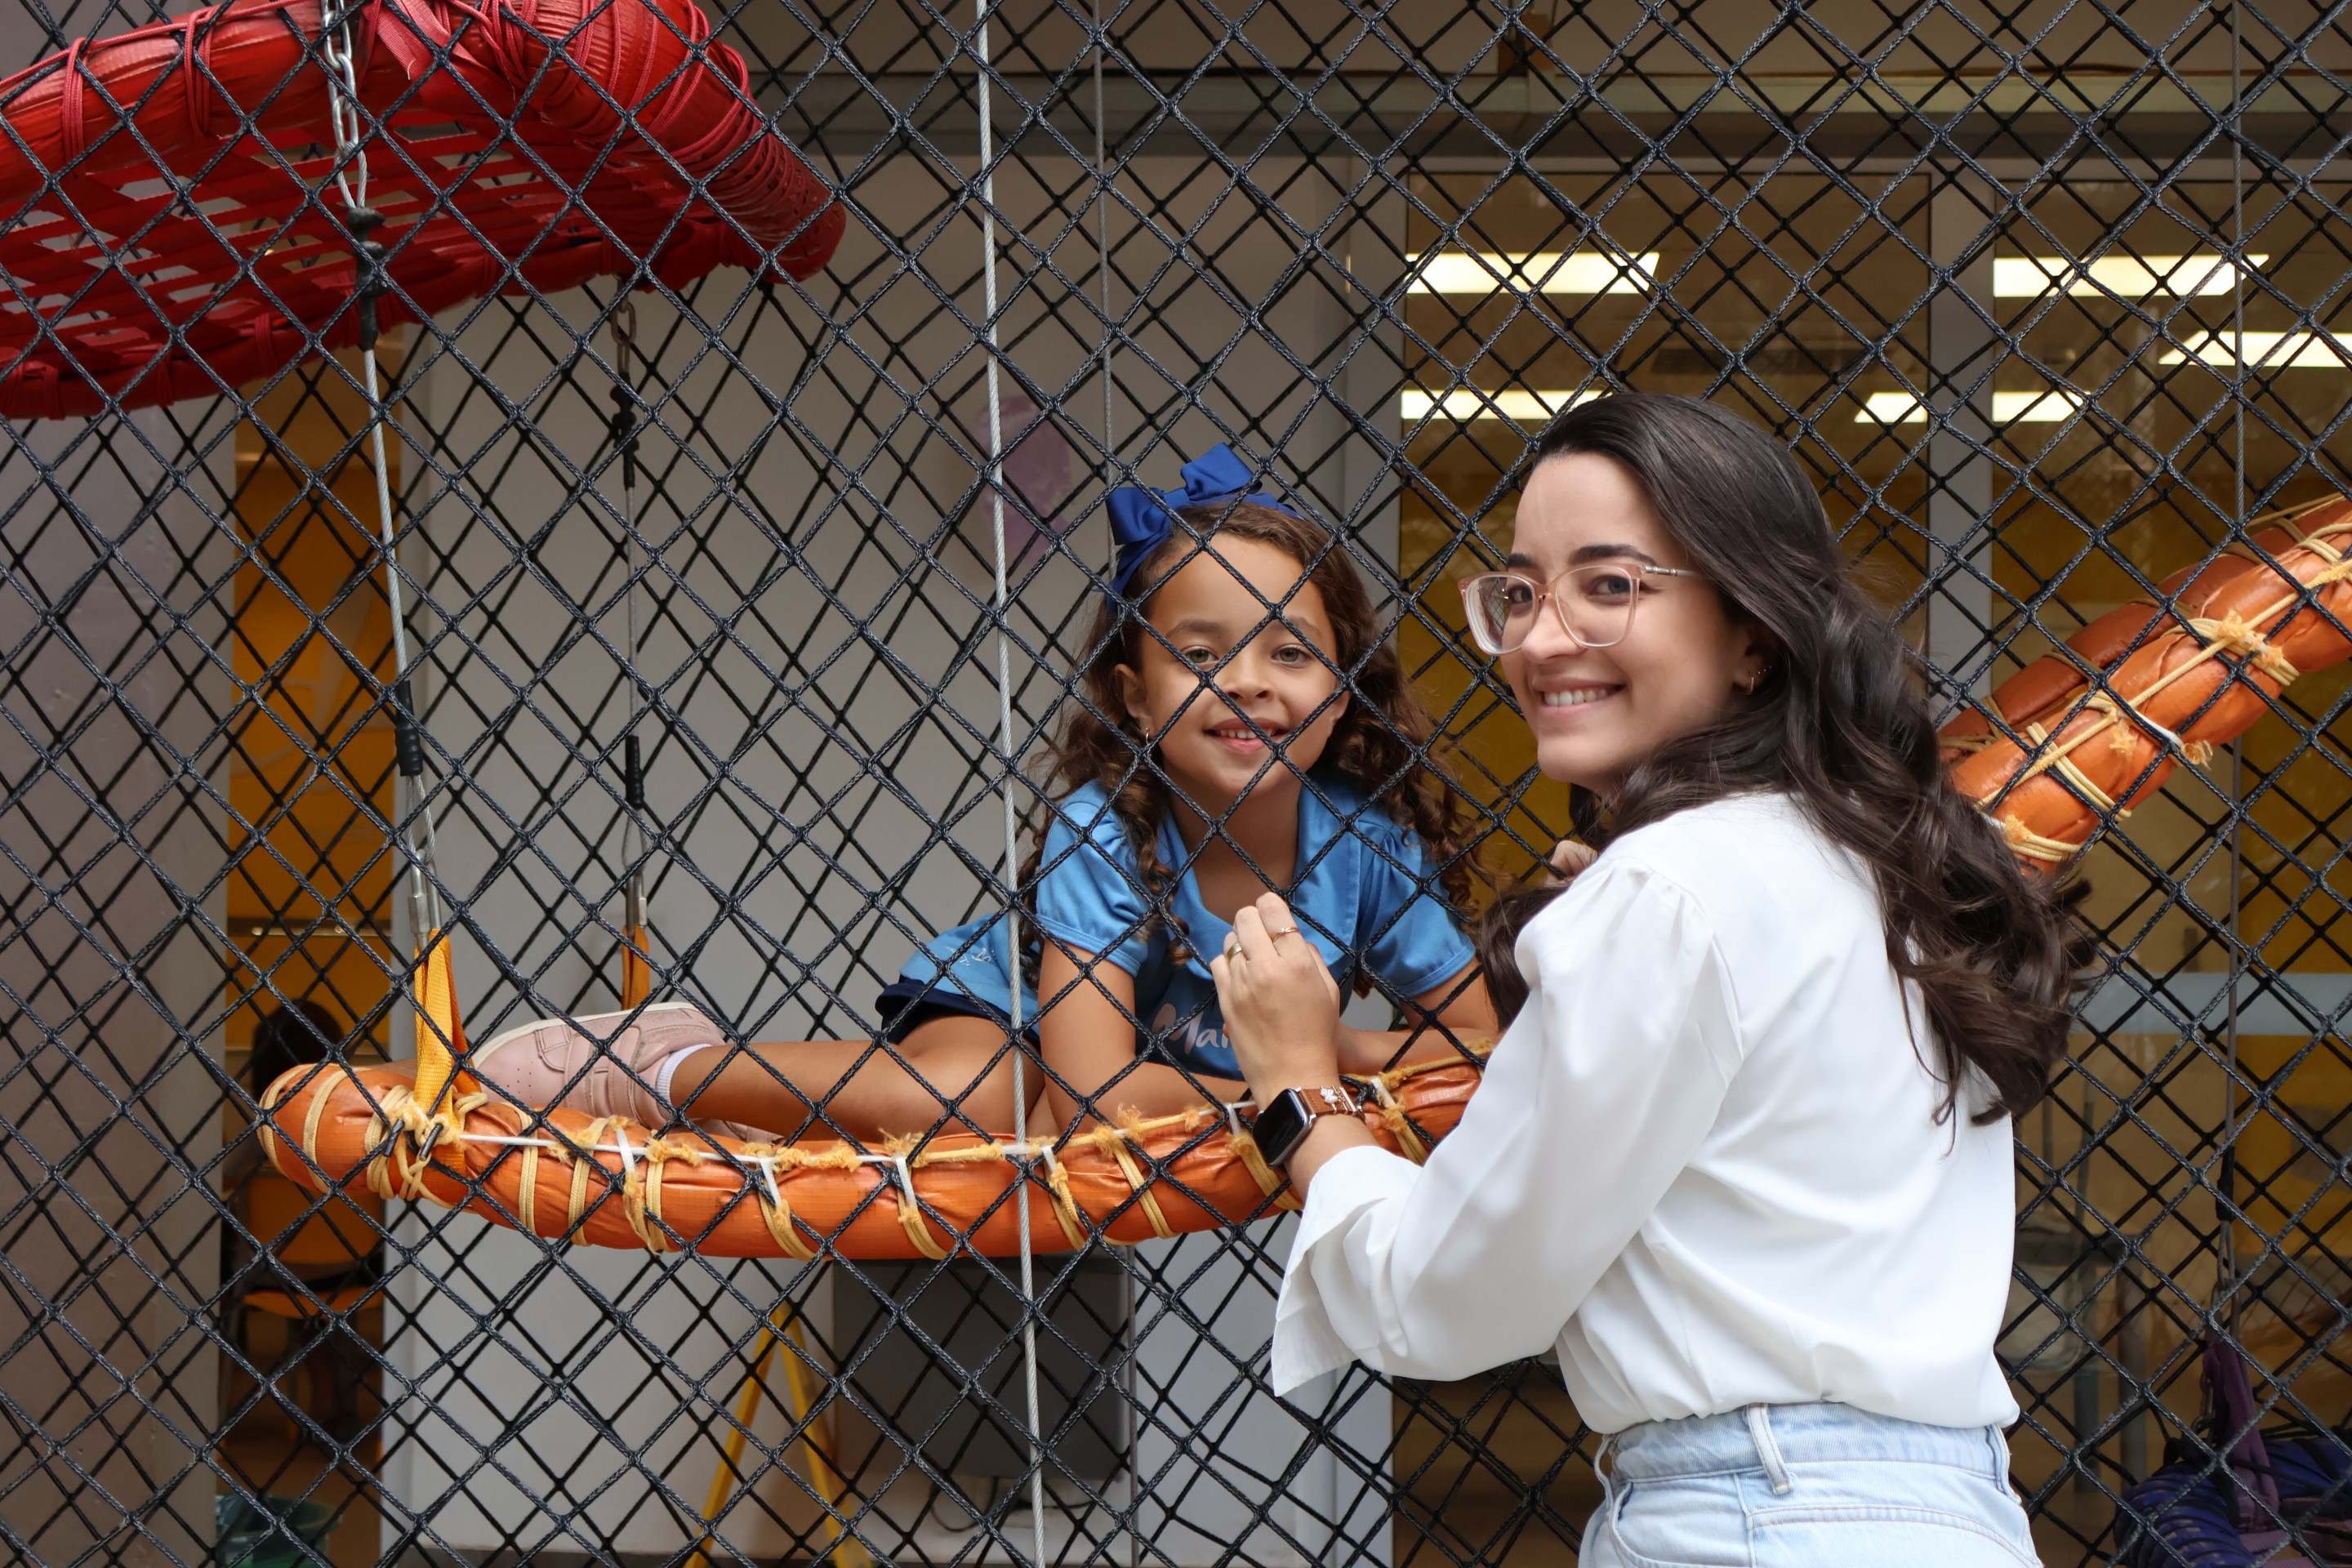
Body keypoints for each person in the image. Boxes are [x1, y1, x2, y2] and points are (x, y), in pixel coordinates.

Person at [1211, 394, 2087, 1566]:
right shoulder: (1874, 865)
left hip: (1755, 1521)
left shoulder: (1672, 890)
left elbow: (1448, 1299)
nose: (1539, 636)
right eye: (1518, 593)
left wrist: (1297, 1088)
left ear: (1751, 632)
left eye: (1610, 586)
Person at [473, 445, 1494, 1143]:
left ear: (1345, 687)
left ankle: (799, 1107)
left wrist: (1316, 1064)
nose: (1251, 681)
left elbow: (1480, 1050)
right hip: (1016, 1018)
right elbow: (1090, 1097)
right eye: (1200, 653)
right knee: (980, 1100)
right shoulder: (1103, 829)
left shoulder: (1370, 848)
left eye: (1293, 651)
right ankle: (667, 1067)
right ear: (1138, 700)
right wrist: (1335, 1061)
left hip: (1179, 1076)